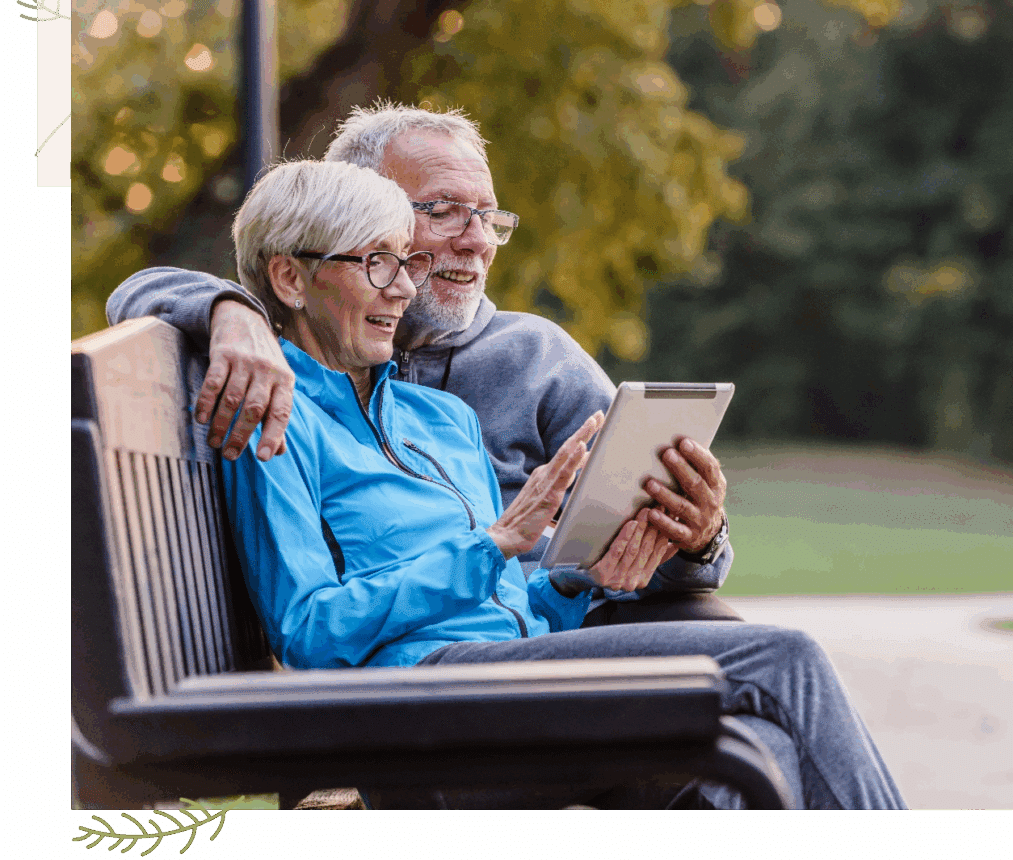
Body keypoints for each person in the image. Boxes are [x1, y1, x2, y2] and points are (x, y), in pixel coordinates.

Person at [216, 157, 906, 811]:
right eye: (375, 263)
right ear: (289, 279)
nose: (402, 286)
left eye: (405, 261)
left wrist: (575, 579)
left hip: (507, 686)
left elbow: (510, 605)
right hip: (413, 716)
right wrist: (490, 547)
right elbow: (307, 631)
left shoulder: (442, 420)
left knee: (758, 747)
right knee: (780, 659)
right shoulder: (276, 419)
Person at [107, 103, 739, 629]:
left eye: (488, 217)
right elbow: (136, 291)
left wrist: (699, 538)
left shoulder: (531, 359)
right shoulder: (289, 369)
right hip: (445, 670)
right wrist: (232, 310)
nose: (477, 240)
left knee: (738, 664)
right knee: (759, 679)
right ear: (357, 206)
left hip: (559, 625)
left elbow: (676, 561)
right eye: (442, 210)